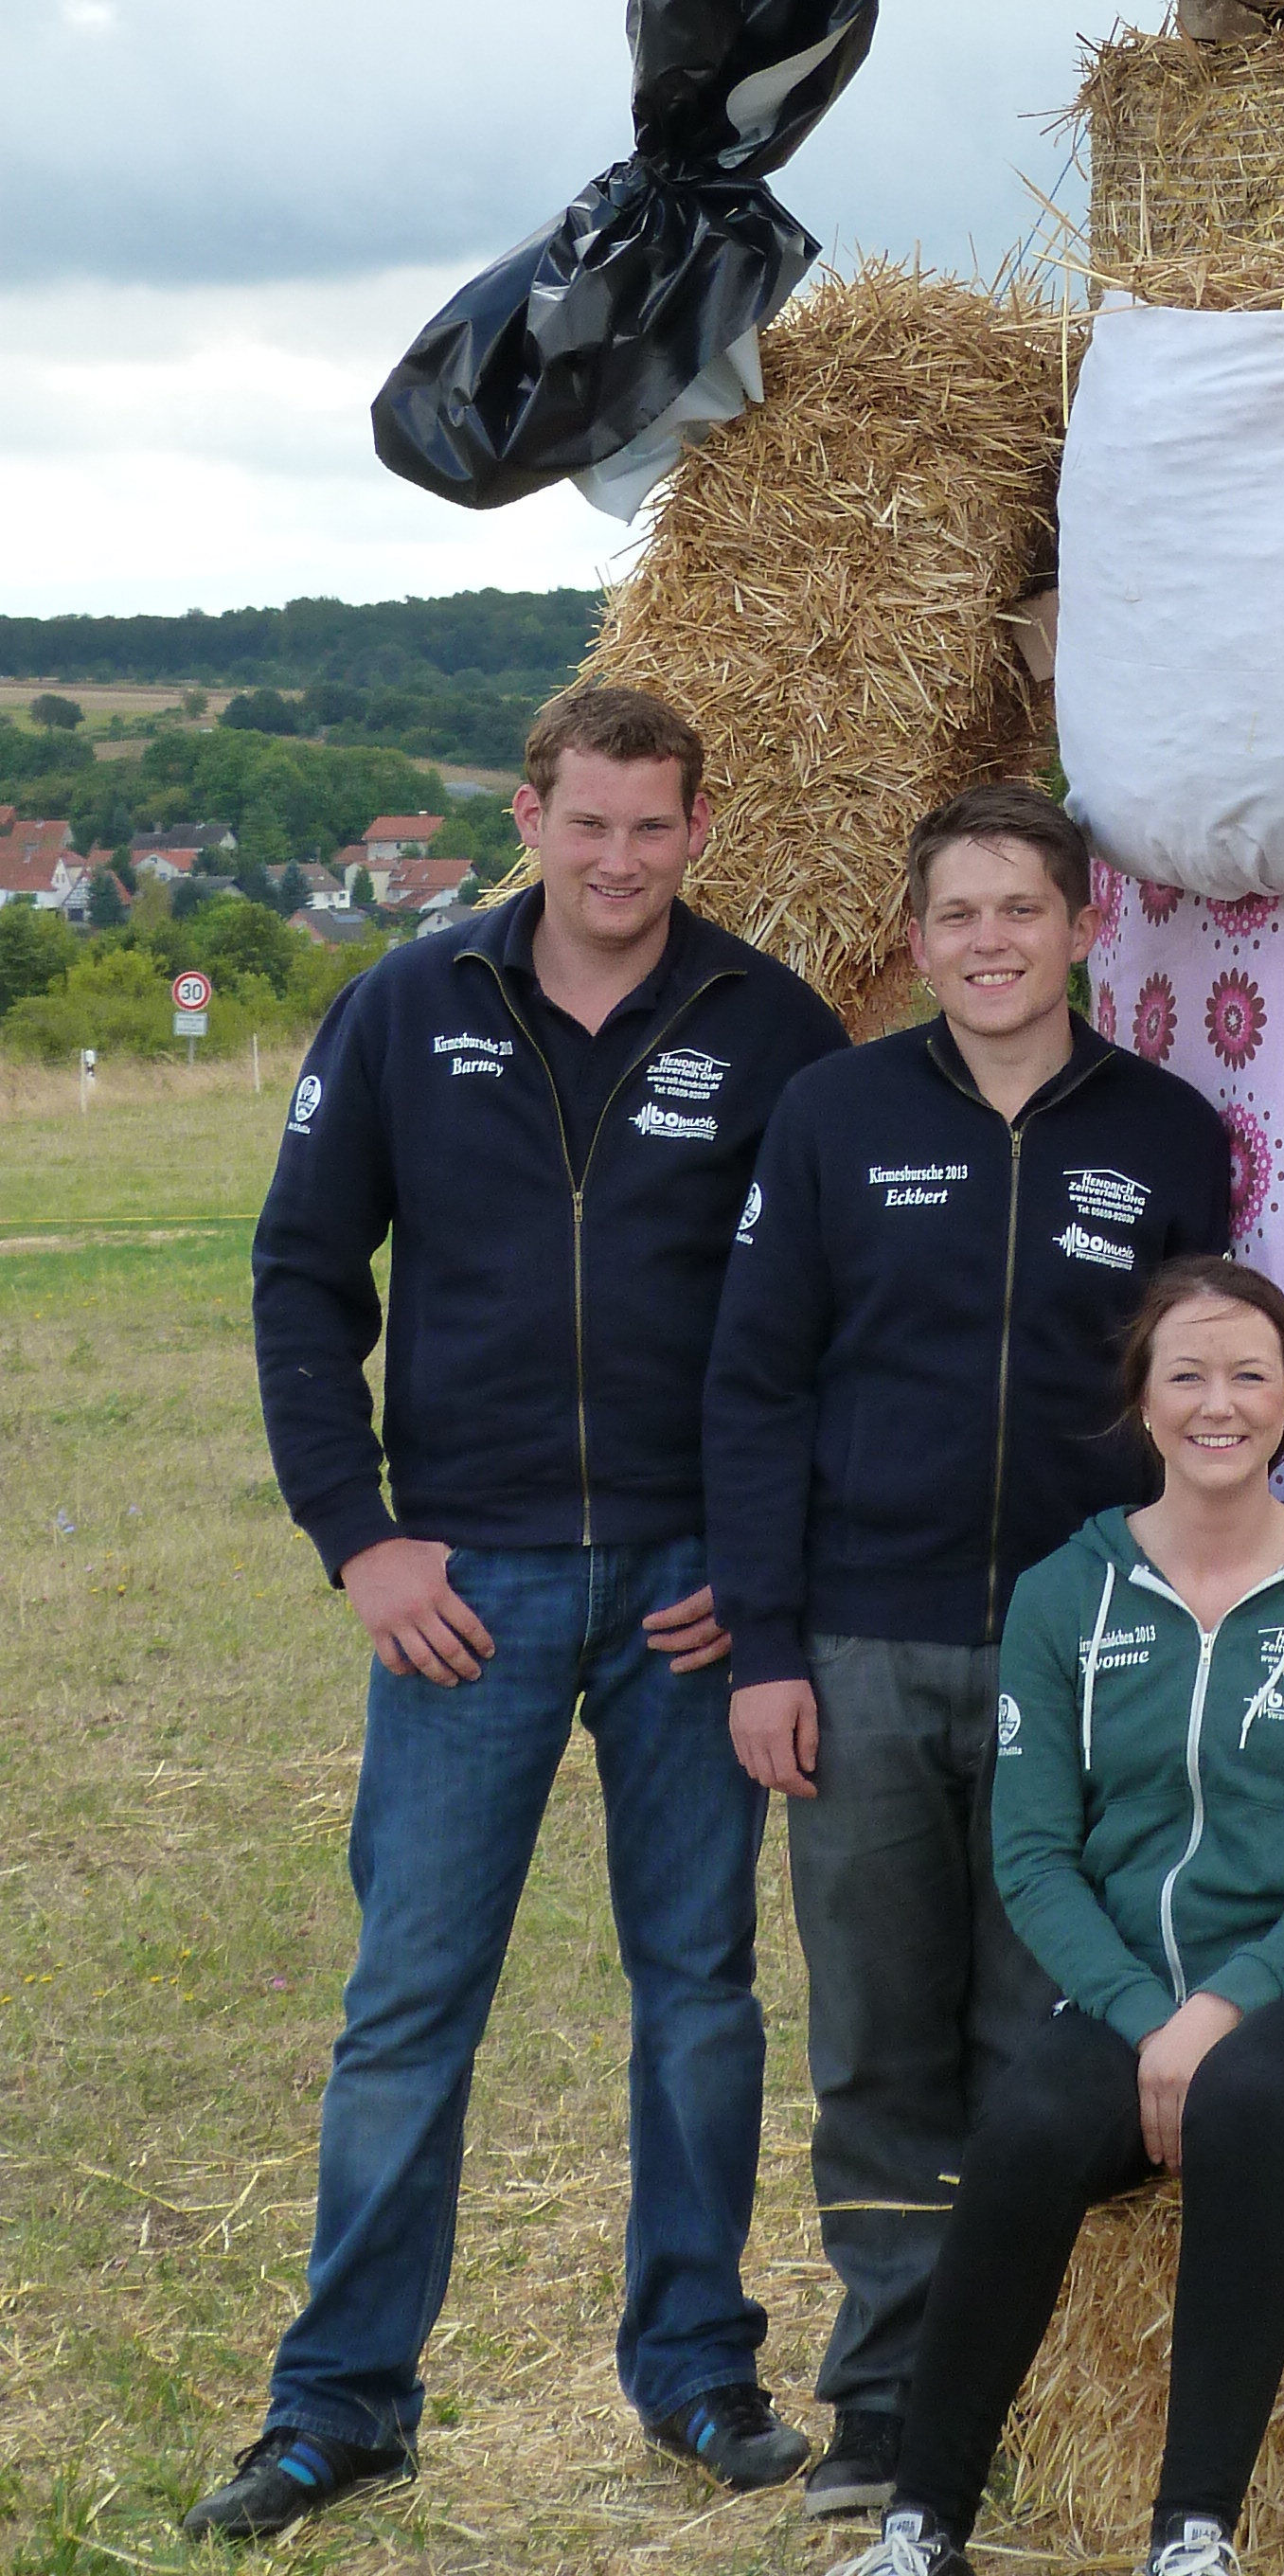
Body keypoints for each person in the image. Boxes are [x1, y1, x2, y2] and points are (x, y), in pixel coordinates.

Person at [194, 686, 847, 2542]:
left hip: (685, 1596)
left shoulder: (772, 1026)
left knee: (699, 1994)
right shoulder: (408, 1006)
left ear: (697, 831)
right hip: (461, 1588)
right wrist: (360, 1539)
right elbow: (301, 1273)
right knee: (410, 2000)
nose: (619, 860)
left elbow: (831, 1322)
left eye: (653, 826)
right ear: (528, 816)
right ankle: (340, 2406)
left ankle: (699, 2371)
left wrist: (762, 1565)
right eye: (589, 822)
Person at [704, 781, 1234, 2516]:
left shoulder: (1167, 1132)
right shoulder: (834, 1114)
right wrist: (765, 1647)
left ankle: (1013, 2393)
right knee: (878, 2044)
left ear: (1084, 927)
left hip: (1077, 1662)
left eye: (1020, 910)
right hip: (860, 1647)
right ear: (916, 939)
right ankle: (880, 2407)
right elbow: (755, 1386)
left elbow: (1200, 1404)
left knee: (1040, 2039)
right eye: (957, 915)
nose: (989, 943)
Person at [839, 1257, 1284, 2576]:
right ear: (1143, 1401)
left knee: (1246, 2104)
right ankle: (923, 2523)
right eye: (1188, 1376)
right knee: (1026, 2127)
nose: (1220, 1405)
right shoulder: (1068, 1591)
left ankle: (1194, 2533)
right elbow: (1034, 1855)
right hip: (1122, 1995)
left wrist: (1218, 2013)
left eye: (1250, 1377)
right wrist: (1144, 2014)